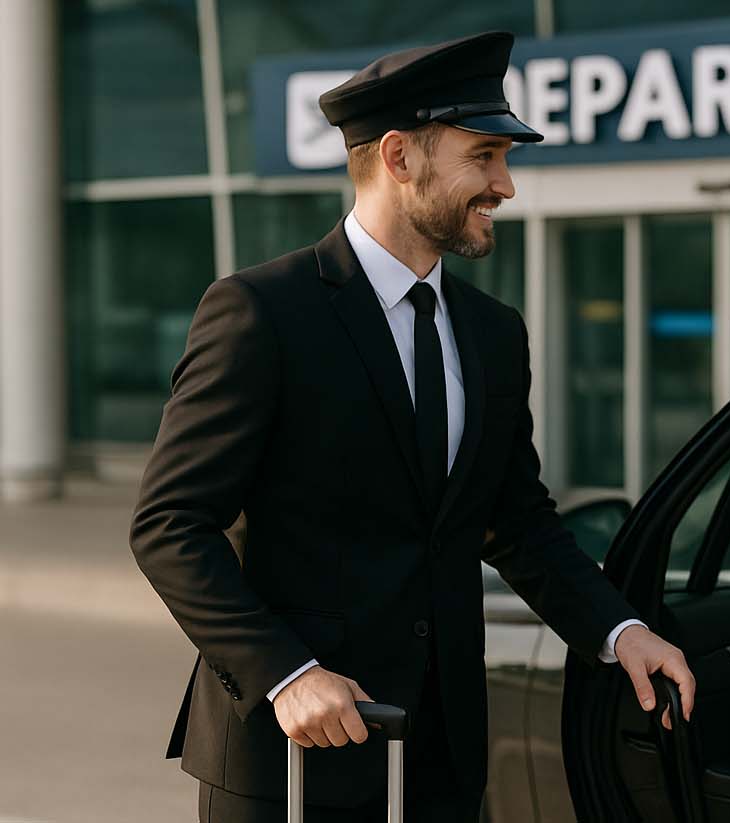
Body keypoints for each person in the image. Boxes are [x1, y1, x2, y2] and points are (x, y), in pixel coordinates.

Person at [130, 31, 695, 823]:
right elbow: (168, 525)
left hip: (441, 753)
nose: (504, 185)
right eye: (485, 156)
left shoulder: (495, 332)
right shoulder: (262, 312)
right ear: (399, 157)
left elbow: (519, 523)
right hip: (291, 758)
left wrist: (619, 629)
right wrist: (288, 673)